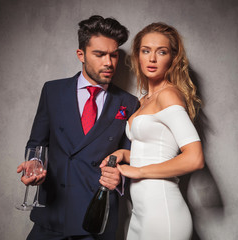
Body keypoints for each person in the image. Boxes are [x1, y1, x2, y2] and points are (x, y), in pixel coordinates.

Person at [16, 15, 139, 240]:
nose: (109, 63)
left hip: (97, 219)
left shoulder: (128, 103)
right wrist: (35, 166)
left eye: (113, 55)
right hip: (52, 216)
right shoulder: (53, 91)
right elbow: (37, 143)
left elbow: (132, 156)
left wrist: (119, 179)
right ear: (80, 54)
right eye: (99, 54)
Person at [103, 22, 205, 239]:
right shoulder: (144, 100)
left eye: (162, 52)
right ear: (137, 56)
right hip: (141, 213)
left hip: (163, 211)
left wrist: (138, 171)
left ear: (173, 58)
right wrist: (124, 155)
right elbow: (156, 151)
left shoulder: (169, 95)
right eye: (146, 51)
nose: (152, 59)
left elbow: (195, 158)